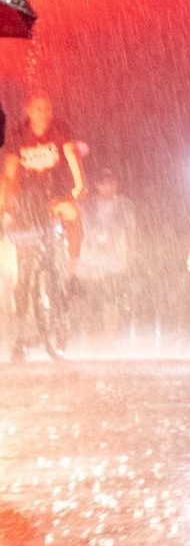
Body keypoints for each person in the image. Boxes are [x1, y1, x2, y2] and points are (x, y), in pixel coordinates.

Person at [4, 93, 85, 359]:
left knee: (73, 214)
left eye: (47, 108)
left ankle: (71, 274)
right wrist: (7, 205)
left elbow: (72, 155)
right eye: (38, 108)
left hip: (55, 196)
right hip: (28, 204)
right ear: (28, 110)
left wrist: (79, 183)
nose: (44, 113)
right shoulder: (18, 135)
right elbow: (10, 173)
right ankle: (18, 335)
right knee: (24, 276)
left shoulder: (60, 129)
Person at [80, 169, 135, 343]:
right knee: (92, 299)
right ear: (97, 185)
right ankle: (91, 336)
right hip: (92, 259)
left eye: (111, 183)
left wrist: (131, 253)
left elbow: (131, 230)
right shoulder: (87, 204)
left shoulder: (125, 205)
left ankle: (110, 336)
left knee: (112, 298)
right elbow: (81, 229)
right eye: (103, 183)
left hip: (115, 259)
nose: (108, 187)